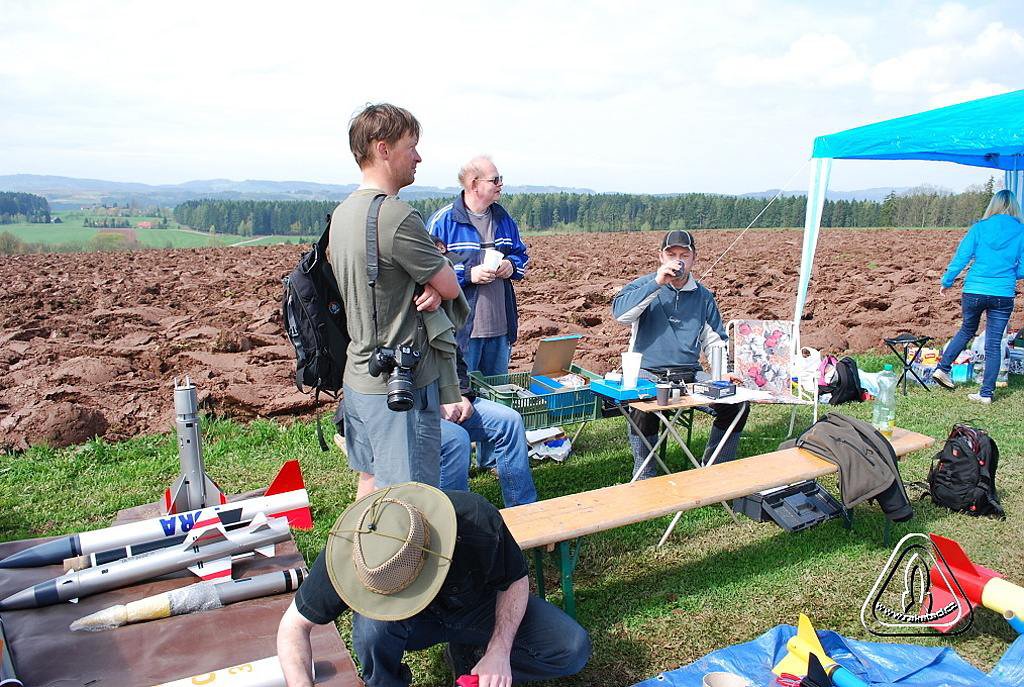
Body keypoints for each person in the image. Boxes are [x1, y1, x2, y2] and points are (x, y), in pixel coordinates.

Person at [276, 482, 590, 687]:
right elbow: (292, 628)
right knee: (373, 629)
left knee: (570, 649)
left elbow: (515, 581)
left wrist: (499, 650)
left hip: (475, 608)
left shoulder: (475, 519)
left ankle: (475, 662)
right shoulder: (350, 549)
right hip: (411, 625)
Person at [330, 104, 462, 499]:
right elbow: (452, 286)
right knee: (408, 497)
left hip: (359, 376)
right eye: (412, 146)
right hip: (399, 387)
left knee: (370, 483)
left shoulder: (342, 214)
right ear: (383, 148)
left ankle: (361, 559)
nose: (418, 157)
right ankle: (402, 563)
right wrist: (438, 286)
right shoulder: (397, 217)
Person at [611, 230, 749, 480]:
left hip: (690, 374)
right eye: (672, 254)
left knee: (735, 402)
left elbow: (714, 339)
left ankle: (716, 468)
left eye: (684, 254)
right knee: (643, 403)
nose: (678, 260)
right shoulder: (646, 284)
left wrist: (724, 371)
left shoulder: (703, 296)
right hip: (649, 371)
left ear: (694, 258)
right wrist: (657, 283)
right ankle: (645, 472)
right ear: (661, 256)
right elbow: (621, 316)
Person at [427, 156, 529, 377]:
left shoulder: (503, 219)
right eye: (495, 180)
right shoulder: (443, 222)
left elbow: (521, 255)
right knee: (462, 400)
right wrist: (467, 274)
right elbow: (427, 271)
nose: (500, 184)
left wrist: (511, 265)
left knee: (497, 396)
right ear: (474, 184)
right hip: (461, 333)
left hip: (500, 333)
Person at [931, 189, 1024, 404]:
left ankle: (943, 368)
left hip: (974, 289)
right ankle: (986, 394)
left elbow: (961, 257)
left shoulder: (979, 228)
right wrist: (1010, 273)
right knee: (993, 343)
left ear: (993, 205)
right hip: (1002, 293)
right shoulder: (1020, 231)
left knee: (967, 329)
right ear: (1015, 207)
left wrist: (947, 282)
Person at [439, 346, 538, 507]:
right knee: (457, 438)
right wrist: (435, 404)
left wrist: (460, 394)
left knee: (510, 421)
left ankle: (522, 509)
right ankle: (454, 519)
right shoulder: (400, 327)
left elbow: (456, 362)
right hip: (414, 410)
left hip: (448, 399)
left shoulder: (440, 323)